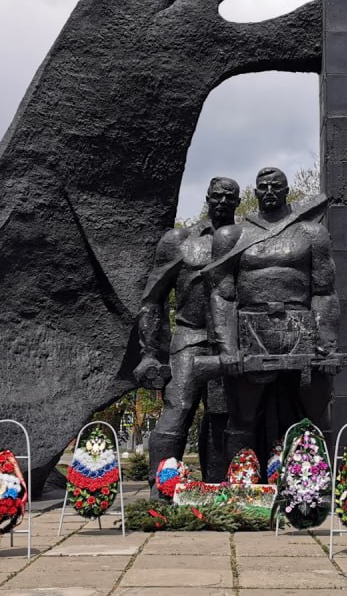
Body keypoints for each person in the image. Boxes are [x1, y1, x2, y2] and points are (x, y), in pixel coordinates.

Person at [206, 167, 342, 466]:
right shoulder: (232, 235)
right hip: (250, 328)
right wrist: (228, 347)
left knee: (317, 413)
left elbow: (324, 291)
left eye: (276, 186)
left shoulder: (312, 233)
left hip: (302, 327)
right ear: (255, 192)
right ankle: (239, 483)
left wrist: (326, 343)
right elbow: (222, 295)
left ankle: (322, 482)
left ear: (286, 191)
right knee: (242, 417)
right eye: (263, 187)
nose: (269, 191)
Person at [133, 176, 240, 485]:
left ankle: (217, 489)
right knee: (177, 410)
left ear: (237, 201)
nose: (222, 201)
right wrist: (150, 352)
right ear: (207, 197)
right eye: (217, 195)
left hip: (228, 343)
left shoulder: (243, 240)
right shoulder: (179, 241)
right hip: (188, 338)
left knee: (222, 416)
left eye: (229, 196)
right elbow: (152, 299)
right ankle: (161, 490)